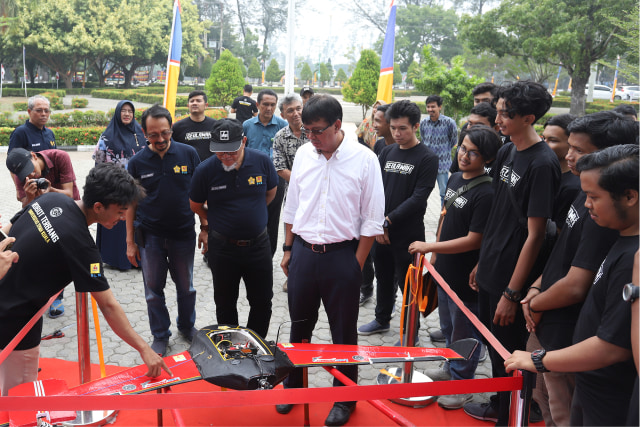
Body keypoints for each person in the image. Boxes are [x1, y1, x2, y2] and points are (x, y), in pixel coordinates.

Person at [0, 163, 171, 396]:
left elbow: (7, 233)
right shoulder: (82, 246)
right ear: (99, 207)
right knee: (20, 398)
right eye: (120, 211)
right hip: (16, 322)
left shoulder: (51, 200)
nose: (122, 218)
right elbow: (109, 306)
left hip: (9, 301)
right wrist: (144, 349)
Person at [505, 144, 639, 426]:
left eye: (593, 196)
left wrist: (539, 360)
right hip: (591, 386)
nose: (587, 204)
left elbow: (613, 346)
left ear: (629, 196)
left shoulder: (632, 259)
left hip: (610, 397)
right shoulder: (620, 238)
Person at [278, 94, 385, 426]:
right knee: (299, 326)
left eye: (317, 130)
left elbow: (372, 218)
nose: (311, 137)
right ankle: (294, 384)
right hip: (304, 255)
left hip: (343, 256)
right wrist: (288, 248)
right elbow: (292, 205)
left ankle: (345, 396)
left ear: (337, 126)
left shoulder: (365, 160)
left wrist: (357, 262)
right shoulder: (306, 155)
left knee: (343, 332)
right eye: (306, 130)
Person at [463, 81, 560, 425]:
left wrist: (511, 292)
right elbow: (498, 213)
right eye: (499, 110)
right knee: (493, 347)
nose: (498, 118)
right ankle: (499, 405)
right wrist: (481, 261)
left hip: (511, 276)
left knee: (511, 354)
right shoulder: (506, 151)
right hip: (491, 264)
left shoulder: (542, 164)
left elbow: (535, 236)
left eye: (506, 114)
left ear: (529, 118)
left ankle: (513, 414)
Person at [409, 126, 501, 409]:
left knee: (465, 333)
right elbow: (444, 217)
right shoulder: (455, 178)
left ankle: (462, 383)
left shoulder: (486, 192)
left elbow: (475, 240)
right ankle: (451, 367)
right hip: (444, 271)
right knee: (448, 326)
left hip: (466, 277)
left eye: (473, 152)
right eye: (463, 148)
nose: (464, 155)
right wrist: (436, 253)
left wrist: (430, 248)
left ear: (487, 158)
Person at [357, 100, 438, 343]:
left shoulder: (427, 158)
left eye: (403, 128)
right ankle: (381, 319)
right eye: (393, 128)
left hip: (408, 233)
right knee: (383, 276)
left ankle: (409, 330)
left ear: (416, 126)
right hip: (380, 229)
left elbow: (419, 197)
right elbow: (375, 189)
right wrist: (376, 223)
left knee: (409, 284)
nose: (397, 133)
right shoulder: (387, 152)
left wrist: (388, 221)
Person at [190, 119, 277, 339]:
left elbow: (271, 192)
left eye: (232, 151)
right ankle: (231, 348)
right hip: (223, 248)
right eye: (220, 152)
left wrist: (251, 213)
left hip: (258, 246)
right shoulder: (205, 170)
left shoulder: (262, 162)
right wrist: (218, 219)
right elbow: (195, 205)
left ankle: (256, 345)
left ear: (244, 142)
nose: (226, 157)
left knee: (262, 301)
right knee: (225, 301)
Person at [125, 105, 200, 357]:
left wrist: (207, 228)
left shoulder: (188, 154)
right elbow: (130, 205)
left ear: (171, 129)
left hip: (183, 234)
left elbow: (200, 195)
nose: (160, 139)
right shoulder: (136, 163)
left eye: (165, 133)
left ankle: (187, 327)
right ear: (144, 133)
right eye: (153, 134)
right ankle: (160, 334)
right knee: (152, 291)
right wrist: (130, 242)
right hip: (151, 237)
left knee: (186, 287)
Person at [6, 147, 81, 318]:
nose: (31, 176)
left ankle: (56, 298)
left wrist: (50, 190)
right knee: (43, 255)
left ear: (33, 156)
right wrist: (30, 197)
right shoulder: (21, 174)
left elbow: (69, 194)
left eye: (31, 170)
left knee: (64, 255)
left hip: (68, 209)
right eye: (25, 174)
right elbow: (24, 208)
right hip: (41, 214)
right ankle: (41, 295)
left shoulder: (60, 157)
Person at [93, 100, 146, 271]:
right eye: (123, 111)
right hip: (114, 188)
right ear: (117, 113)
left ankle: (139, 259)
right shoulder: (107, 136)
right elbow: (99, 164)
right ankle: (117, 259)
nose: (127, 114)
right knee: (117, 222)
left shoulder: (140, 133)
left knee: (137, 222)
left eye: (130, 111)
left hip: (139, 188)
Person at [243, 89, 288, 257]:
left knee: (272, 217)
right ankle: (250, 253)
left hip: (276, 178)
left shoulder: (283, 126)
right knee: (250, 215)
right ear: (257, 105)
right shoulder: (247, 125)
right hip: (250, 178)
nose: (269, 108)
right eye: (265, 104)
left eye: (272, 105)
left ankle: (268, 254)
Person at [272, 94, 309, 292]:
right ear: (283, 114)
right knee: (291, 235)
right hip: (294, 195)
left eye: (298, 108)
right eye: (290, 110)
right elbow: (279, 167)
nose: (296, 113)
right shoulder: (280, 137)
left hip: (320, 193)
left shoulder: (313, 132)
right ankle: (293, 275)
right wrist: (303, 183)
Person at [542, 114, 580, 230]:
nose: (544, 144)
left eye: (552, 140)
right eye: (543, 138)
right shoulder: (541, 171)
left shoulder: (574, 186)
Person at [420, 95, 458, 207]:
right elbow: (423, 140)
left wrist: (443, 151)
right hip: (426, 164)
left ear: (439, 107)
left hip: (443, 164)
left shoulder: (449, 122)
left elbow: (453, 140)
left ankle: (443, 219)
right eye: (428, 107)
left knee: (444, 193)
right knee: (421, 193)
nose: (430, 109)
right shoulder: (423, 123)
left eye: (433, 106)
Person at [172, 90, 218, 161]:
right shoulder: (177, 127)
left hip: (210, 168)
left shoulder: (216, 125)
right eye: (192, 101)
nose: (194, 103)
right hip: (187, 168)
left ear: (206, 105)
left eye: (198, 101)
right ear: (188, 105)